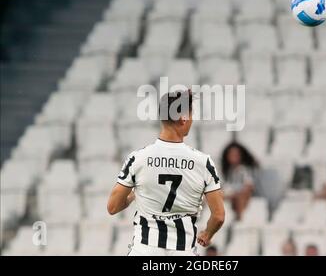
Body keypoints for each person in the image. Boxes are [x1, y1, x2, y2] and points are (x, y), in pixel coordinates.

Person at [107, 90, 225, 256]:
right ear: (183, 117)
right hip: (183, 251)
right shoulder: (203, 162)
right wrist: (208, 234)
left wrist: (134, 195)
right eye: (191, 114)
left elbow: (113, 207)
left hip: (144, 251)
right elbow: (218, 216)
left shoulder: (138, 158)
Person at [221, 142, 259, 220]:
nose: (234, 157)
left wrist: (238, 193)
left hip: (240, 194)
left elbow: (249, 185)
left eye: (236, 154)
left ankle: (239, 218)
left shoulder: (244, 169)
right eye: (231, 154)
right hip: (230, 192)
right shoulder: (229, 170)